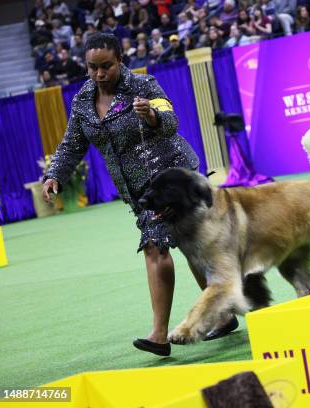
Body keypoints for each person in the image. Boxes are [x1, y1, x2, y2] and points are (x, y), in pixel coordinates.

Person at [41, 33, 237, 357]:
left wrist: (152, 116)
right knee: (192, 247)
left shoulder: (145, 87)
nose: (99, 74)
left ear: (120, 59)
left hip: (171, 179)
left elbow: (171, 121)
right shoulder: (82, 101)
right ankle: (223, 314)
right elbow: (72, 143)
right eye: (92, 67)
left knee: (155, 246)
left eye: (106, 66)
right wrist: (54, 175)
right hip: (138, 191)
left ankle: (159, 335)